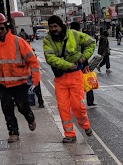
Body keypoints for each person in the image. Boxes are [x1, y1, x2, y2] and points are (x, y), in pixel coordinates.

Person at [43, 15, 95, 143]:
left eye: (55, 26)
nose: (53, 29)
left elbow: (91, 43)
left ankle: (85, 125)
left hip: (75, 76)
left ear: (61, 25)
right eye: (51, 27)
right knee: (63, 107)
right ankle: (69, 134)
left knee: (77, 106)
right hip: (60, 78)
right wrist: (68, 64)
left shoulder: (74, 35)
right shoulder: (48, 39)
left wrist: (83, 58)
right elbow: (50, 58)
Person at [0, 13, 39, 143]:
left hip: (19, 82)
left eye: (1, 28)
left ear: (6, 27)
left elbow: (33, 61)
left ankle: (30, 118)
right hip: (3, 84)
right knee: (7, 109)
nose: (0, 31)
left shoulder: (18, 41)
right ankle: (13, 132)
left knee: (22, 106)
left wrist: (35, 79)